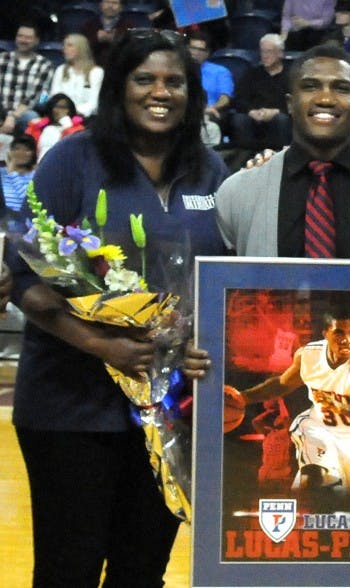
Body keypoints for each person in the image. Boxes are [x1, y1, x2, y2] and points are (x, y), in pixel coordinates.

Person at [6, 28, 230, 586]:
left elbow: (228, 284)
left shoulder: (212, 173)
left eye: (174, 81)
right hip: (70, 406)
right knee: (68, 570)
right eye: (145, 79)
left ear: (191, 92)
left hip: (168, 414)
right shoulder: (71, 161)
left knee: (141, 572)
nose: (161, 92)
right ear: (119, 88)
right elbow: (24, 276)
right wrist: (103, 344)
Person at [214, 43, 350, 260]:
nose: (325, 99)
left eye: (341, 88)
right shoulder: (237, 193)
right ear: (290, 104)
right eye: (310, 86)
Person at [236, 310, 350, 501]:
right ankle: (301, 511)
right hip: (320, 430)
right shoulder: (308, 356)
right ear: (326, 333)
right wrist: (244, 397)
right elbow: (282, 384)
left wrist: (340, 406)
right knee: (311, 478)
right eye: (339, 333)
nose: (347, 339)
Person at [228, 33, 293, 152]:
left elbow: (295, 103)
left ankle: (281, 158)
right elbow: (239, 98)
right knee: (239, 119)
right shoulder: (252, 74)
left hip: (279, 116)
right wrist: (251, 111)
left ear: (280, 53)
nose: (265, 56)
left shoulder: (291, 76)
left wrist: (276, 111)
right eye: (263, 52)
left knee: (281, 119)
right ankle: (243, 159)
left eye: (269, 52)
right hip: (254, 116)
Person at [0, 23, 54, 135]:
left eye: (28, 37)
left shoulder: (44, 65)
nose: (23, 40)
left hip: (24, 112)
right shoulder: (2, 59)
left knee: (33, 118)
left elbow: (36, 96)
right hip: (1, 109)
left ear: (36, 41)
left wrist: (12, 116)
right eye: (20, 36)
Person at [49, 33, 104, 119]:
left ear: (81, 49)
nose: (64, 49)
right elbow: (54, 97)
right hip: (60, 117)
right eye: (64, 45)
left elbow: (94, 103)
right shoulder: (61, 70)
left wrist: (72, 113)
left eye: (69, 45)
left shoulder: (96, 72)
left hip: (85, 118)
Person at [186, 30, 232, 128]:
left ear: (207, 53)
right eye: (192, 48)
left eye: (200, 49)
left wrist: (210, 108)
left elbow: (225, 98)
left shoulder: (220, 71)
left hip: (209, 110)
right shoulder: (179, 68)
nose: (195, 53)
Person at [24, 93, 87, 160]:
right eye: (56, 106)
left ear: (70, 110)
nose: (59, 110)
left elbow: (74, 149)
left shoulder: (79, 129)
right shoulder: (37, 127)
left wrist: (67, 126)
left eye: (63, 107)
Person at [82, 0, 130, 68]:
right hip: (92, 66)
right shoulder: (89, 25)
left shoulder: (128, 26)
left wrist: (116, 40)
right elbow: (83, 49)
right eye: (107, 2)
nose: (110, 6)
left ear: (121, 7)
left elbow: (130, 51)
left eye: (114, 3)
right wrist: (97, 39)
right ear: (101, 5)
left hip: (119, 67)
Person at [0, 134, 37, 217]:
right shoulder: (1, 174)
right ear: (10, 152)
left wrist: (12, 174)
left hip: (23, 221)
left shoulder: (36, 176)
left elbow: (28, 202)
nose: (21, 153)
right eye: (17, 149)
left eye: (27, 150)